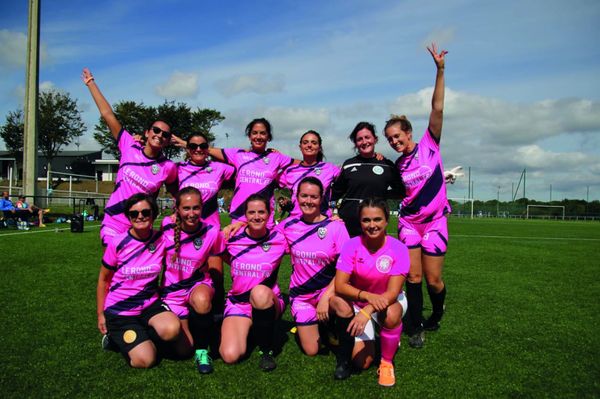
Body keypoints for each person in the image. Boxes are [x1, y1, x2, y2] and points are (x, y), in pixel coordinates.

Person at [383, 43, 450, 349]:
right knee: (413, 277)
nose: (395, 141)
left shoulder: (429, 145)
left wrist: (439, 69)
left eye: (398, 135)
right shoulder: (398, 165)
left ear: (409, 132)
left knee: (434, 280)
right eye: (390, 139)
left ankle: (437, 311)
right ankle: (416, 326)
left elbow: (437, 109)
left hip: (435, 222)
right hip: (410, 223)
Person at [82, 68, 178, 246]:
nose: (159, 135)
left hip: (142, 225)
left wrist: (177, 211)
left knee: (140, 272)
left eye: (165, 134)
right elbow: (108, 115)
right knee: (115, 265)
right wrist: (91, 84)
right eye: (156, 130)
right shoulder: (129, 145)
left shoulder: (168, 167)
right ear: (147, 132)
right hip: (114, 222)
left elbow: (178, 194)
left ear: (167, 141)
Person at [330, 198, 409, 386]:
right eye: (366, 220)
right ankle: (376, 335)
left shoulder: (399, 248)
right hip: (359, 303)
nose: (372, 225)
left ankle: (387, 362)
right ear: (360, 222)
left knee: (390, 314)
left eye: (377, 219)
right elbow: (340, 286)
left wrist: (368, 310)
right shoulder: (351, 245)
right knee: (362, 362)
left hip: (388, 302)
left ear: (386, 220)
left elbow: (392, 293)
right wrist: (365, 299)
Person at [97, 193, 181, 368]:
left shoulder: (160, 239)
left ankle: (140, 335)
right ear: (128, 217)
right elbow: (104, 280)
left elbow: (182, 232)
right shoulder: (118, 243)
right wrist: (100, 314)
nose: (140, 216)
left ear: (154, 214)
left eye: (145, 212)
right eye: (134, 213)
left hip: (149, 305)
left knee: (172, 329)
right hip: (121, 311)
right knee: (146, 360)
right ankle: (114, 337)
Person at [279, 177, 349, 356]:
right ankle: (319, 324)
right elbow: (262, 232)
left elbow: (346, 268)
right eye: (304, 196)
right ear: (296, 197)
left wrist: (326, 297)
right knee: (312, 350)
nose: (308, 201)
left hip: (330, 293)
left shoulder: (336, 226)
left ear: (321, 198)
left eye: (313, 197)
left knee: (342, 306)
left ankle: (330, 322)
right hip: (302, 296)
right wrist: (238, 224)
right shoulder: (287, 226)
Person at [219, 194, 288, 371]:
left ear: (269, 213)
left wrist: (333, 220)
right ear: (245, 215)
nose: (256, 216)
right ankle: (253, 327)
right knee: (230, 355)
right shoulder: (231, 236)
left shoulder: (280, 238)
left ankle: (266, 350)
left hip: (267, 299)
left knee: (259, 292)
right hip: (239, 303)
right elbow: (212, 249)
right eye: (251, 212)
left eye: (261, 212)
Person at [161, 187, 225, 374]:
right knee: (183, 350)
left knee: (202, 301)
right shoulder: (166, 225)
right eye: (186, 208)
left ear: (202, 208)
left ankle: (203, 351)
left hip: (198, 285)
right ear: (177, 209)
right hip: (172, 292)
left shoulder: (212, 232)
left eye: (196, 208)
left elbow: (221, 265)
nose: (191, 213)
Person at [206, 118, 294, 229]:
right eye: (254, 133)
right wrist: (185, 143)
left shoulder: (276, 157)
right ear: (249, 136)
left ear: (268, 137)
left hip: (265, 220)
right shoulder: (238, 154)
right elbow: (206, 150)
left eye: (262, 133)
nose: (258, 136)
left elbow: (303, 165)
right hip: (239, 219)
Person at [331, 122, 401, 237]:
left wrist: (381, 195)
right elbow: (335, 193)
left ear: (375, 139)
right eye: (359, 139)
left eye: (367, 137)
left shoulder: (387, 165)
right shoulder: (348, 164)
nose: (364, 142)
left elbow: (400, 191)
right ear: (356, 143)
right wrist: (334, 213)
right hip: (347, 228)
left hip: (375, 228)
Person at [278, 130, 340, 219]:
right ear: (300, 147)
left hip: (321, 223)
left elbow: (349, 182)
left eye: (314, 143)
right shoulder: (290, 171)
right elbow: (269, 184)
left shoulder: (330, 168)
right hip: (296, 221)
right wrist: (282, 200)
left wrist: (336, 212)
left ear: (319, 147)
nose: (309, 145)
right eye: (305, 142)